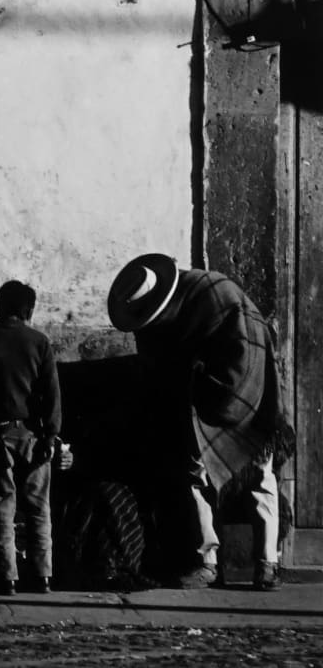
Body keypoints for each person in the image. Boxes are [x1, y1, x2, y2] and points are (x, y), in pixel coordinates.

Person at [107, 252, 282, 590]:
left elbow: (245, 351)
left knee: (260, 475)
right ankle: (207, 560)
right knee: (195, 474)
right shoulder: (172, 313)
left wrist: (208, 385)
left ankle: (267, 563)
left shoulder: (217, 295)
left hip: (251, 394)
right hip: (202, 403)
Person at [0, 279, 62, 594]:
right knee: (38, 507)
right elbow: (51, 394)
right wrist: (50, 435)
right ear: (29, 310)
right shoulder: (40, 342)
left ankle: (7, 577)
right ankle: (43, 575)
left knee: (2, 505)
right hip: (34, 434)